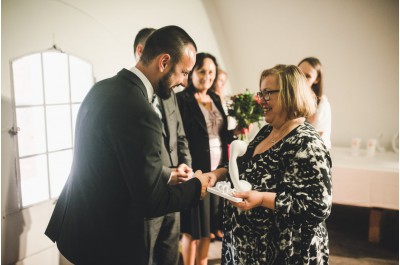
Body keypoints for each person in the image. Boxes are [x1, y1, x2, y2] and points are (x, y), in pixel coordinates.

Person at [44, 25, 211, 265]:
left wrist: (168, 174)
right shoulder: (142, 111)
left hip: (79, 229)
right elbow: (151, 201)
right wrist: (197, 187)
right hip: (108, 240)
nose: (185, 82)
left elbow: (111, 161)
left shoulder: (102, 89)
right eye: (184, 72)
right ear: (164, 62)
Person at [205, 65, 332, 264]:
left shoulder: (307, 143)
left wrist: (262, 198)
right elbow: (243, 163)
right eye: (260, 93)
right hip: (249, 249)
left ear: (290, 94)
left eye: (267, 93)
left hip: (284, 253)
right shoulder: (267, 131)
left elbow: (318, 206)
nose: (260, 100)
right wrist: (216, 174)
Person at [134, 28, 193, 265]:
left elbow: (180, 136)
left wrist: (186, 167)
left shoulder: (168, 93)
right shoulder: (131, 98)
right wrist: (169, 175)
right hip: (147, 199)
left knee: (169, 257)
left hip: (173, 195)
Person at [176, 53, 237, 265]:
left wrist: (236, 131)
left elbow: (223, 134)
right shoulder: (182, 100)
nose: (207, 76)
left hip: (217, 173)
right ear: (192, 72)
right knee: (192, 230)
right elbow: (179, 136)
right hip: (196, 171)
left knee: (208, 229)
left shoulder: (217, 98)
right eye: (202, 71)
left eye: (211, 72)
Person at [298, 57, 332, 149]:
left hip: (316, 151)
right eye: (299, 73)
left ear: (317, 79)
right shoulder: (290, 98)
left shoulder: (322, 104)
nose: (301, 79)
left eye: (308, 76)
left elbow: (318, 136)